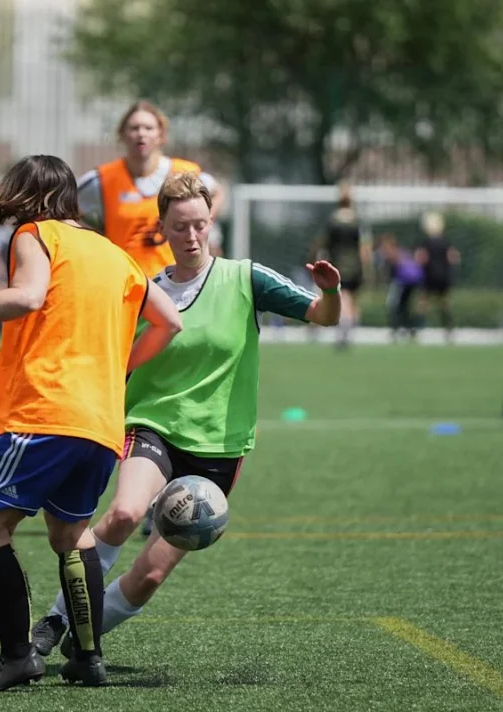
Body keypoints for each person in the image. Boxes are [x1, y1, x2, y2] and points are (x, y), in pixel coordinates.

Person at [30, 171, 341, 659]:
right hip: (153, 424)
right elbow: (109, 354)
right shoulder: (144, 290)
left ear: (211, 222)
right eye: (180, 227)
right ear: (163, 228)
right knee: (125, 513)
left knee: (150, 575)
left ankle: (83, 641)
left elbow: (325, 315)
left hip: (218, 446)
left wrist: (333, 291)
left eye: (199, 225)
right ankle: (55, 618)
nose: (191, 236)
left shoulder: (246, 278)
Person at [0, 155, 182, 692]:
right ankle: (87, 659)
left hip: (46, 412)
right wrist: (119, 369)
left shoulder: (36, 234)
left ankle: (18, 657)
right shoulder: (112, 251)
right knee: (71, 535)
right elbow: (169, 320)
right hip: (101, 424)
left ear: (27, 194)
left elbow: (30, 295)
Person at [78, 100, 224, 278]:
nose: (141, 134)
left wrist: (202, 224)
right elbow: (69, 210)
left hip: (176, 281)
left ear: (161, 134)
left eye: (148, 128)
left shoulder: (184, 173)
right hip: (124, 283)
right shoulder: (102, 179)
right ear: (121, 134)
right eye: (134, 128)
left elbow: (217, 193)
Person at [309, 183, 371, 348]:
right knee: (350, 298)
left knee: (343, 298)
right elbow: (364, 248)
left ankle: (343, 332)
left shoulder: (332, 221)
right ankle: (347, 331)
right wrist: (367, 268)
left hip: (337, 265)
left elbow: (322, 244)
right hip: (355, 266)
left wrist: (316, 260)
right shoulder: (358, 221)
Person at [415, 211, 461, 342]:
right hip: (443, 277)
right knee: (444, 304)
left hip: (429, 276)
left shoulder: (426, 242)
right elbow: (454, 257)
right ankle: (449, 329)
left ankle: (418, 329)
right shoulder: (446, 241)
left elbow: (420, 258)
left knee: (423, 303)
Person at [379, 233, 424, 341]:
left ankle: (396, 329)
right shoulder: (404, 252)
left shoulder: (393, 254)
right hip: (413, 282)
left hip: (401, 282)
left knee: (393, 305)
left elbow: (391, 271)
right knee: (404, 306)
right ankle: (410, 329)